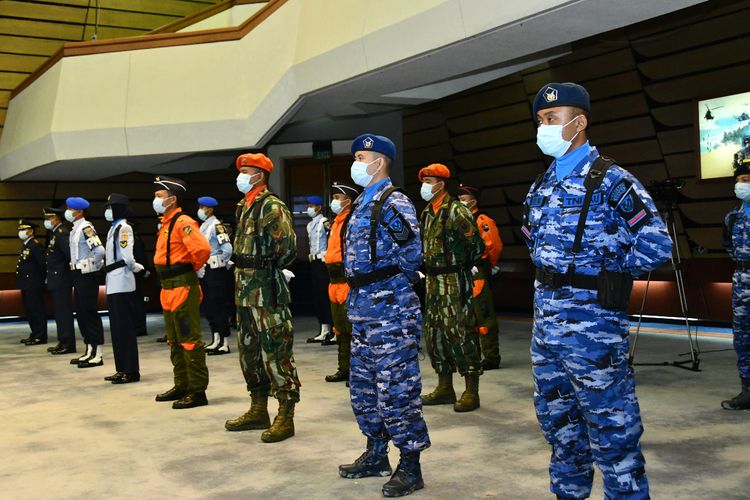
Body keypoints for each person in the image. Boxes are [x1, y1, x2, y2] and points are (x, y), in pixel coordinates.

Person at [522, 82, 672, 499]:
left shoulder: (611, 180)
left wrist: (610, 272)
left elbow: (656, 242)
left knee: (612, 427)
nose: (544, 128)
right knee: (559, 424)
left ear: (579, 122)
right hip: (546, 326)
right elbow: (534, 242)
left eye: (552, 119)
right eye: (540, 121)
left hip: (593, 328)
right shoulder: (541, 186)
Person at [339, 133, 429, 498]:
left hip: (391, 311)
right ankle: (376, 453)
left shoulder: (394, 203)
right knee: (363, 388)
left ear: (381, 161)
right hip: (362, 308)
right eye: (357, 156)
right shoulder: (362, 202)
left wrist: (389, 287)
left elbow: (412, 255)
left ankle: (410, 463)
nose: (357, 162)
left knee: (397, 390)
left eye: (363, 156)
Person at [225, 152, 301, 443]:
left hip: (266, 291)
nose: (242, 175)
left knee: (276, 352)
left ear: (261, 175)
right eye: (241, 170)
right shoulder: (244, 205)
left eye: (247, 171)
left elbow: (289, 247)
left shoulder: (271, 206)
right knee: (250, 352)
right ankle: (259, 408)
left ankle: (286, 413)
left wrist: (270, 267)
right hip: (244, 291)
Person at [418, 165, 484, 412]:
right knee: (435, 335)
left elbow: (476, 246)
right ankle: (445, 386)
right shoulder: (427, 212)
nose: (425, 185)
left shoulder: (457, 211)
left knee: (461, 331)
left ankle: (471, 390)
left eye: (429, 180)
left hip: (454, 279)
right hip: (432, 282)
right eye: (423, 180)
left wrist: (461, 266)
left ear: (441, 184)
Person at [152, 176, 212, 409]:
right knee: (174, 341)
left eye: (159, 196)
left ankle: (197, 391)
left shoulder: (183, 221)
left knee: (189, 340)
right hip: (167, 288)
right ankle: (182, 384)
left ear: (172, 199)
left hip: (183, 287)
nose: (155, 200)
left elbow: (202, 248)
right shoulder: (166, 223)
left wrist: (192, 269)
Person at [457, 185, 503, 370]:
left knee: (484, 316)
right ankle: (473, 356)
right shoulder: (460, 220)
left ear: (473, 201)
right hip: (463, 272)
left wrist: (486, 266)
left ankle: (491, 357)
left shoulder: (482, 220)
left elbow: (494, 246)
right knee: (467, 317)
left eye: (464, 198)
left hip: (478, 273)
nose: (461, 202)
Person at [103, 194, 144, 384]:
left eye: (111, 207)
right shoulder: (114, 228)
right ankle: (121, 368)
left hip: (122, 280)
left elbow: (127, 256)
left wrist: (137, 268)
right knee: (117, 329)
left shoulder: (124, 228)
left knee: (125, 328)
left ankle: (131, 370)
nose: (108, 211)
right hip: (113, 281)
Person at [720, 162, 750, 410]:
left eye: (747, 179)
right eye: (740, 179)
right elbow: (728, 247)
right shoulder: (732, 217)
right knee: (742, 338)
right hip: (741, 281)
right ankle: (747, 390)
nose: (742, 185)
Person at [323, 182, 359, 383]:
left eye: (338, 197)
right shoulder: (336, 222)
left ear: (348, 201)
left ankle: (356, 371)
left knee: (352, 328)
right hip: (333, 281)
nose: (334, 201)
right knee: (340, 328)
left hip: (347, 281)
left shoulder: (351, 222)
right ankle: (344, 368)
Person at [66, 197, 106, 368]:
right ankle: (89, 349)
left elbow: (99, 250)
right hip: (77, 273)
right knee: (81, 312)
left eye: (70, 209)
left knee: (89, 312)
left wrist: (91, 267)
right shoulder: (74, 229)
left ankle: (98, 353)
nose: (68, 211)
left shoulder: (86, 228)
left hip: (86, 274)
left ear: (79, 211)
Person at [196, 196, 233, 355]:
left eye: (202, 207)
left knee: (219, 305)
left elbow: (227, 249)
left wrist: (221, 263)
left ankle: (224, 342)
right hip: (205, 270)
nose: (200, 210)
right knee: (209, 306)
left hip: (216, 270)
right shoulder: (203, 226)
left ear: (210, 209)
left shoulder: (217, 226)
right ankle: (215, 338)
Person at [42, 207, 76, 355]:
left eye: (49, 218)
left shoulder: (62, 233)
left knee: (63, 312)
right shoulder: (55, 233)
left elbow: (69, 256)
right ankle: (63, 341)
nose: (47, 221)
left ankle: (67, 343)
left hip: (62, 279)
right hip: (56, 279)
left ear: (56, 218)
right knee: (59, 312)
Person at [305, 195, 334, 344]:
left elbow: (332, 241)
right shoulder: (310, 225)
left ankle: (333, 329)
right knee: (318, 296)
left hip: (324, 262)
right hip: (314, 262)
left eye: (312, 205)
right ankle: (323, 329)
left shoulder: (325, 222)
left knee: (326, 295)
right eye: (308, 205)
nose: (309, 208)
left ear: (319, 207)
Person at [16, 219, 47, 346]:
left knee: (36, 310)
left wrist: (41, 281)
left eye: (23, 230)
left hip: (34, 284)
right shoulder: (27, 245)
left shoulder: (35, 245)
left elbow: (42, 264)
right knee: (30, 310)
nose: (21, 232)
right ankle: (35, 333)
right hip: (27, 284)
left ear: (31, 231)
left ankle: (40, 335)